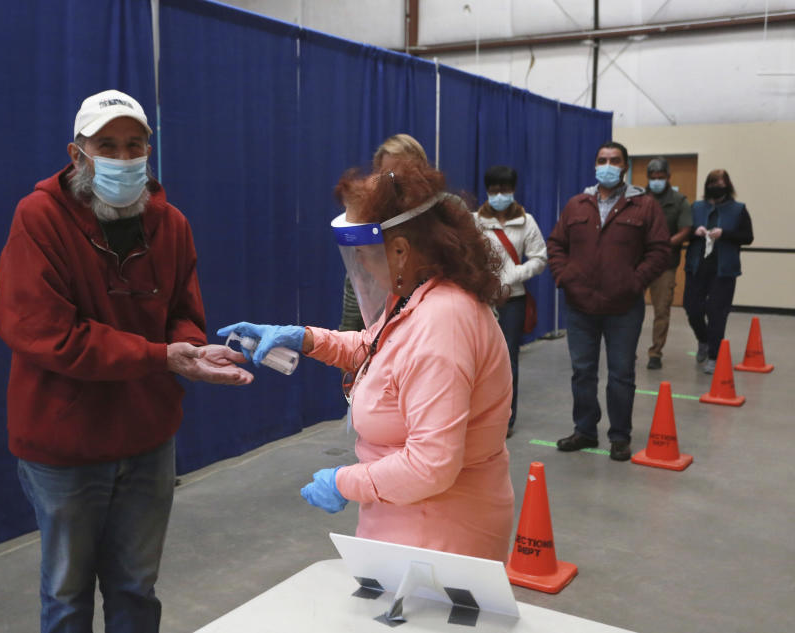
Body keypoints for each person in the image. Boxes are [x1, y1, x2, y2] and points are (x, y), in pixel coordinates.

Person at [0, 89, 253, 633]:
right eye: (106, 144)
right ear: (77, 153)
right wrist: (162, 355)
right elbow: (45, 333)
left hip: (146, 439)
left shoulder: (171, 224)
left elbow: (183, 312)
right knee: (66, 596)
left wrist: (192, 348)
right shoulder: (39, 218)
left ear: (149, 151)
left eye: (134, 145)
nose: (122, 156)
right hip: (64, 444)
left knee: (137, 588)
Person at [214, 161, 515, 561]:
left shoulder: (442, 323)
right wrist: (302, 338)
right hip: (410, 522)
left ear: (402, 251)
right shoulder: (421, 297)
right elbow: (376, 350)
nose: (361, 267)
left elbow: (431, 465)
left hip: (437, 536)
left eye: (364, 255)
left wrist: (344, 482)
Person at [546, 142, 669, 461]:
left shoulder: (644, 205)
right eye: (602, 160)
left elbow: (659, 251)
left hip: (624, 307)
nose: (608, 165)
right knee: (582, 372)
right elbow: (556, 244)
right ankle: (585, 430)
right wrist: (565, 276)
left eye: (615, 160)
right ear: (594, 165)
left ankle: (619, 436)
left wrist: (635, 281)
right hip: (580, 306)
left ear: (625, 167)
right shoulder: (577, 204)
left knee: (621, 374)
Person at [473, 165, 547, 438]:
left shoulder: (527, 221)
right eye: (494, 190)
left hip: (513, 300)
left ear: (513, 191)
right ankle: (479, 415)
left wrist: (515, 275)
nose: (499, 195)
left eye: (504, 190)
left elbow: (540, 257)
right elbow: (466, 257)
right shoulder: (475, 221)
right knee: (479, 361)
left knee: (509, 360)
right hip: (481, 300)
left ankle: (506, 418)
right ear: (487, 191)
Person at [339, 133, 429, 331]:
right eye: (389, 176)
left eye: (405, 173)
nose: (397, 183)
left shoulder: (444, 212)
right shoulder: (373, 218)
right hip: (384, 333)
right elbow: (358, 287)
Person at [683, 169, 754, 374]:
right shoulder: (696, 207)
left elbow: (748, 237)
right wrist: (695, 232)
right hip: (696, 266)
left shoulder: (738, 209)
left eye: (720, 183)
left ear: (728, 185)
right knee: (692, 308)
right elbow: (684, 230)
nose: (716, 186)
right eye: (713, 183)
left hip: (723, 269)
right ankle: (703, 339)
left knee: (717, 312)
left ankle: (714, 356)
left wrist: (725, 234)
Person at [643, 157, 693, 370]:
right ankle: (625, 349)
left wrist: (662, 245)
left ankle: (655, 352)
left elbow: (685, 230)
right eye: (653, 178)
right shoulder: (638, 197)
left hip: (665, 263)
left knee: (661, 309)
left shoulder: (679, 200)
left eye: (660, 178)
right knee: (628, 308)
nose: (656, 181)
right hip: (637, 262)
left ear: (668, 178)